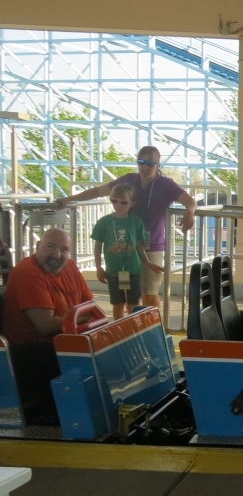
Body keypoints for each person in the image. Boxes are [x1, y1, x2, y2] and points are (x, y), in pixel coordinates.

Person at [57, 146, 196, 311]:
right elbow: (98, 191)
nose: (145, 167)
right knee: (128, 295)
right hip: (126, 248)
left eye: (150, 163)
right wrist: (70, 199)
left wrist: (190, 212)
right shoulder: (129, 180)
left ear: (158, 165)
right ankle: (132, 329)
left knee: (149, 293)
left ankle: (154, 329)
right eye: (141, 162)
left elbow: (190, 201)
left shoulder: (166, 184)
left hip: (152, 245)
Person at [3, 228, 93, 423]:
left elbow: (91, 308)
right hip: (27, 351)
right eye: (50, 247)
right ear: (37, 247)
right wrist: (81, 320)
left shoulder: (69, 267)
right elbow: (44, 325)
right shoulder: (27, 273)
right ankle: (75, 420)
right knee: (87, 357)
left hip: (60, 341)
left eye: (64, 249)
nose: (57, 255)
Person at [92, 184, 162, 319]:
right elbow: (97, 246)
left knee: (134, 303)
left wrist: (147, 262)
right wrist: (99, 267)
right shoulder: (104, 222)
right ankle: (118, 330)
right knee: (117, 303)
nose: (118, 205)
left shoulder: (136, 222)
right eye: (114, 201)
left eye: (123, 202)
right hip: (113, 269)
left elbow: (139, 245)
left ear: (131, 204)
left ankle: (133, 329)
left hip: (133, 268)